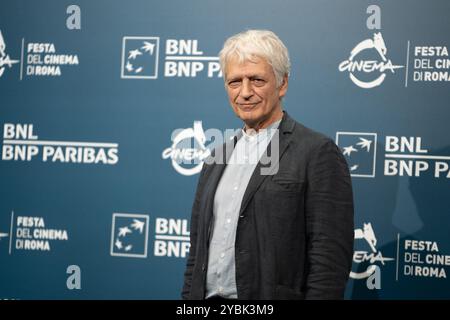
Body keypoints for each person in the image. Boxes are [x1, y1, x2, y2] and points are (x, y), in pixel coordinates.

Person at [182, 29, 354, 300]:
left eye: (257, 80)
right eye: (234, 82)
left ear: (282, 83)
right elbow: (196, 255)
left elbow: (329, 260)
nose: (245, 92)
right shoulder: (216, 157)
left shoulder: (317, 152)